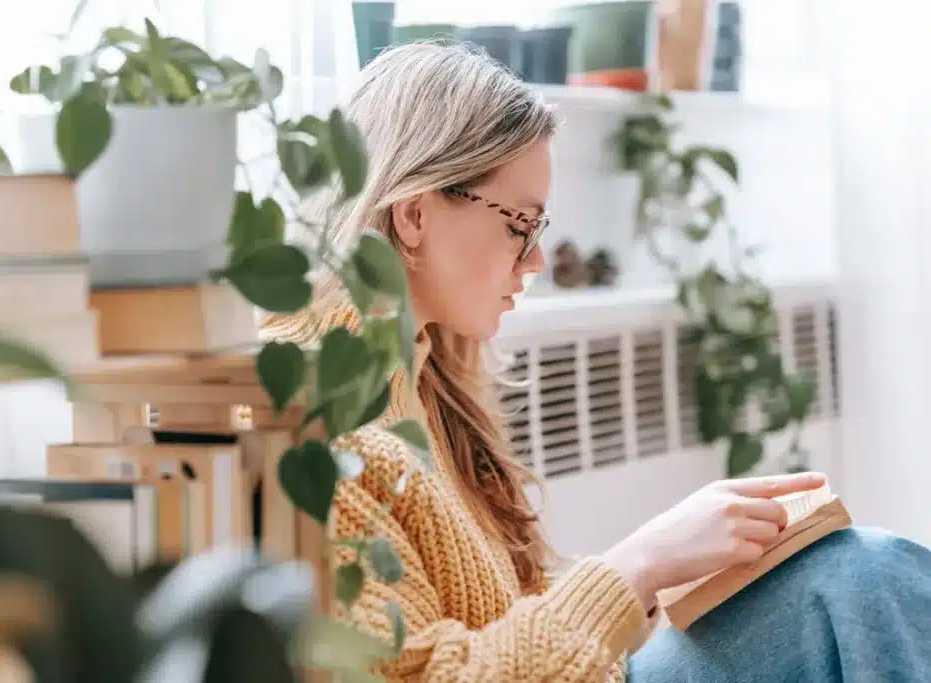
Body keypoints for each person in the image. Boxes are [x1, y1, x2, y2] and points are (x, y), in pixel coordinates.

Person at [266, 42, 931, 682]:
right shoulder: (323, 429)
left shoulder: (428, 384)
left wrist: (670, 565)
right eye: (519, 224)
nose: (536, 261)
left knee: (858, 575)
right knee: (858, 580)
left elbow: (508, 621)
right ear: (413, 216)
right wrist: (639, 561)